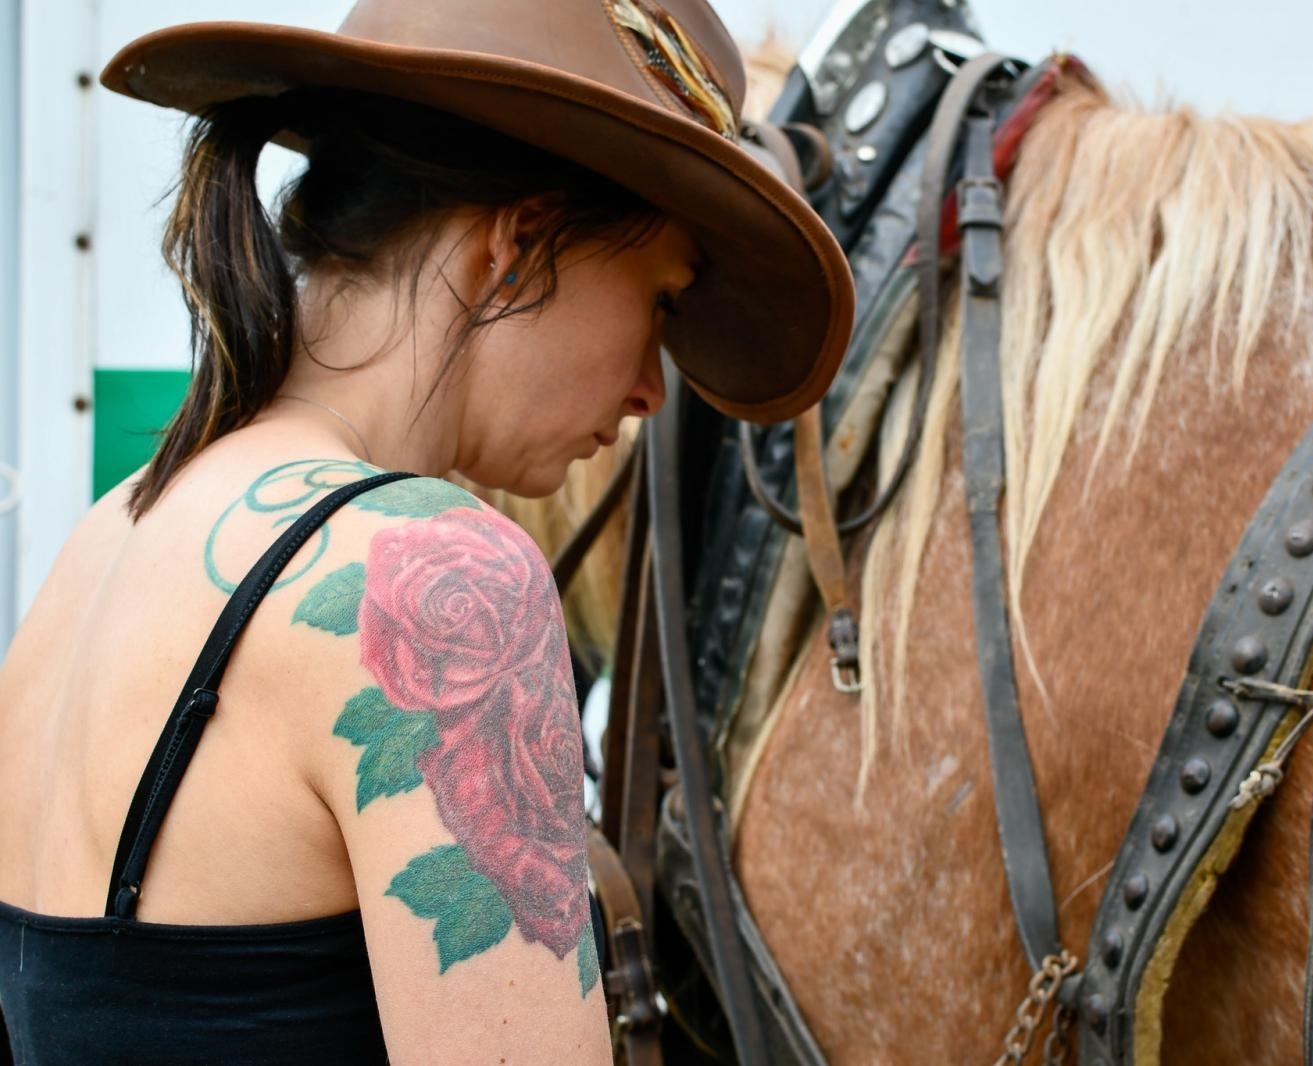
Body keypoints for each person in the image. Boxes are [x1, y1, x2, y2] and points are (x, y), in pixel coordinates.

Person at [0, 0, 852, 1062]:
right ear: (521, 243)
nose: (649, 391)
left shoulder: (109, 536)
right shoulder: (430, 566)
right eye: (661, 302)